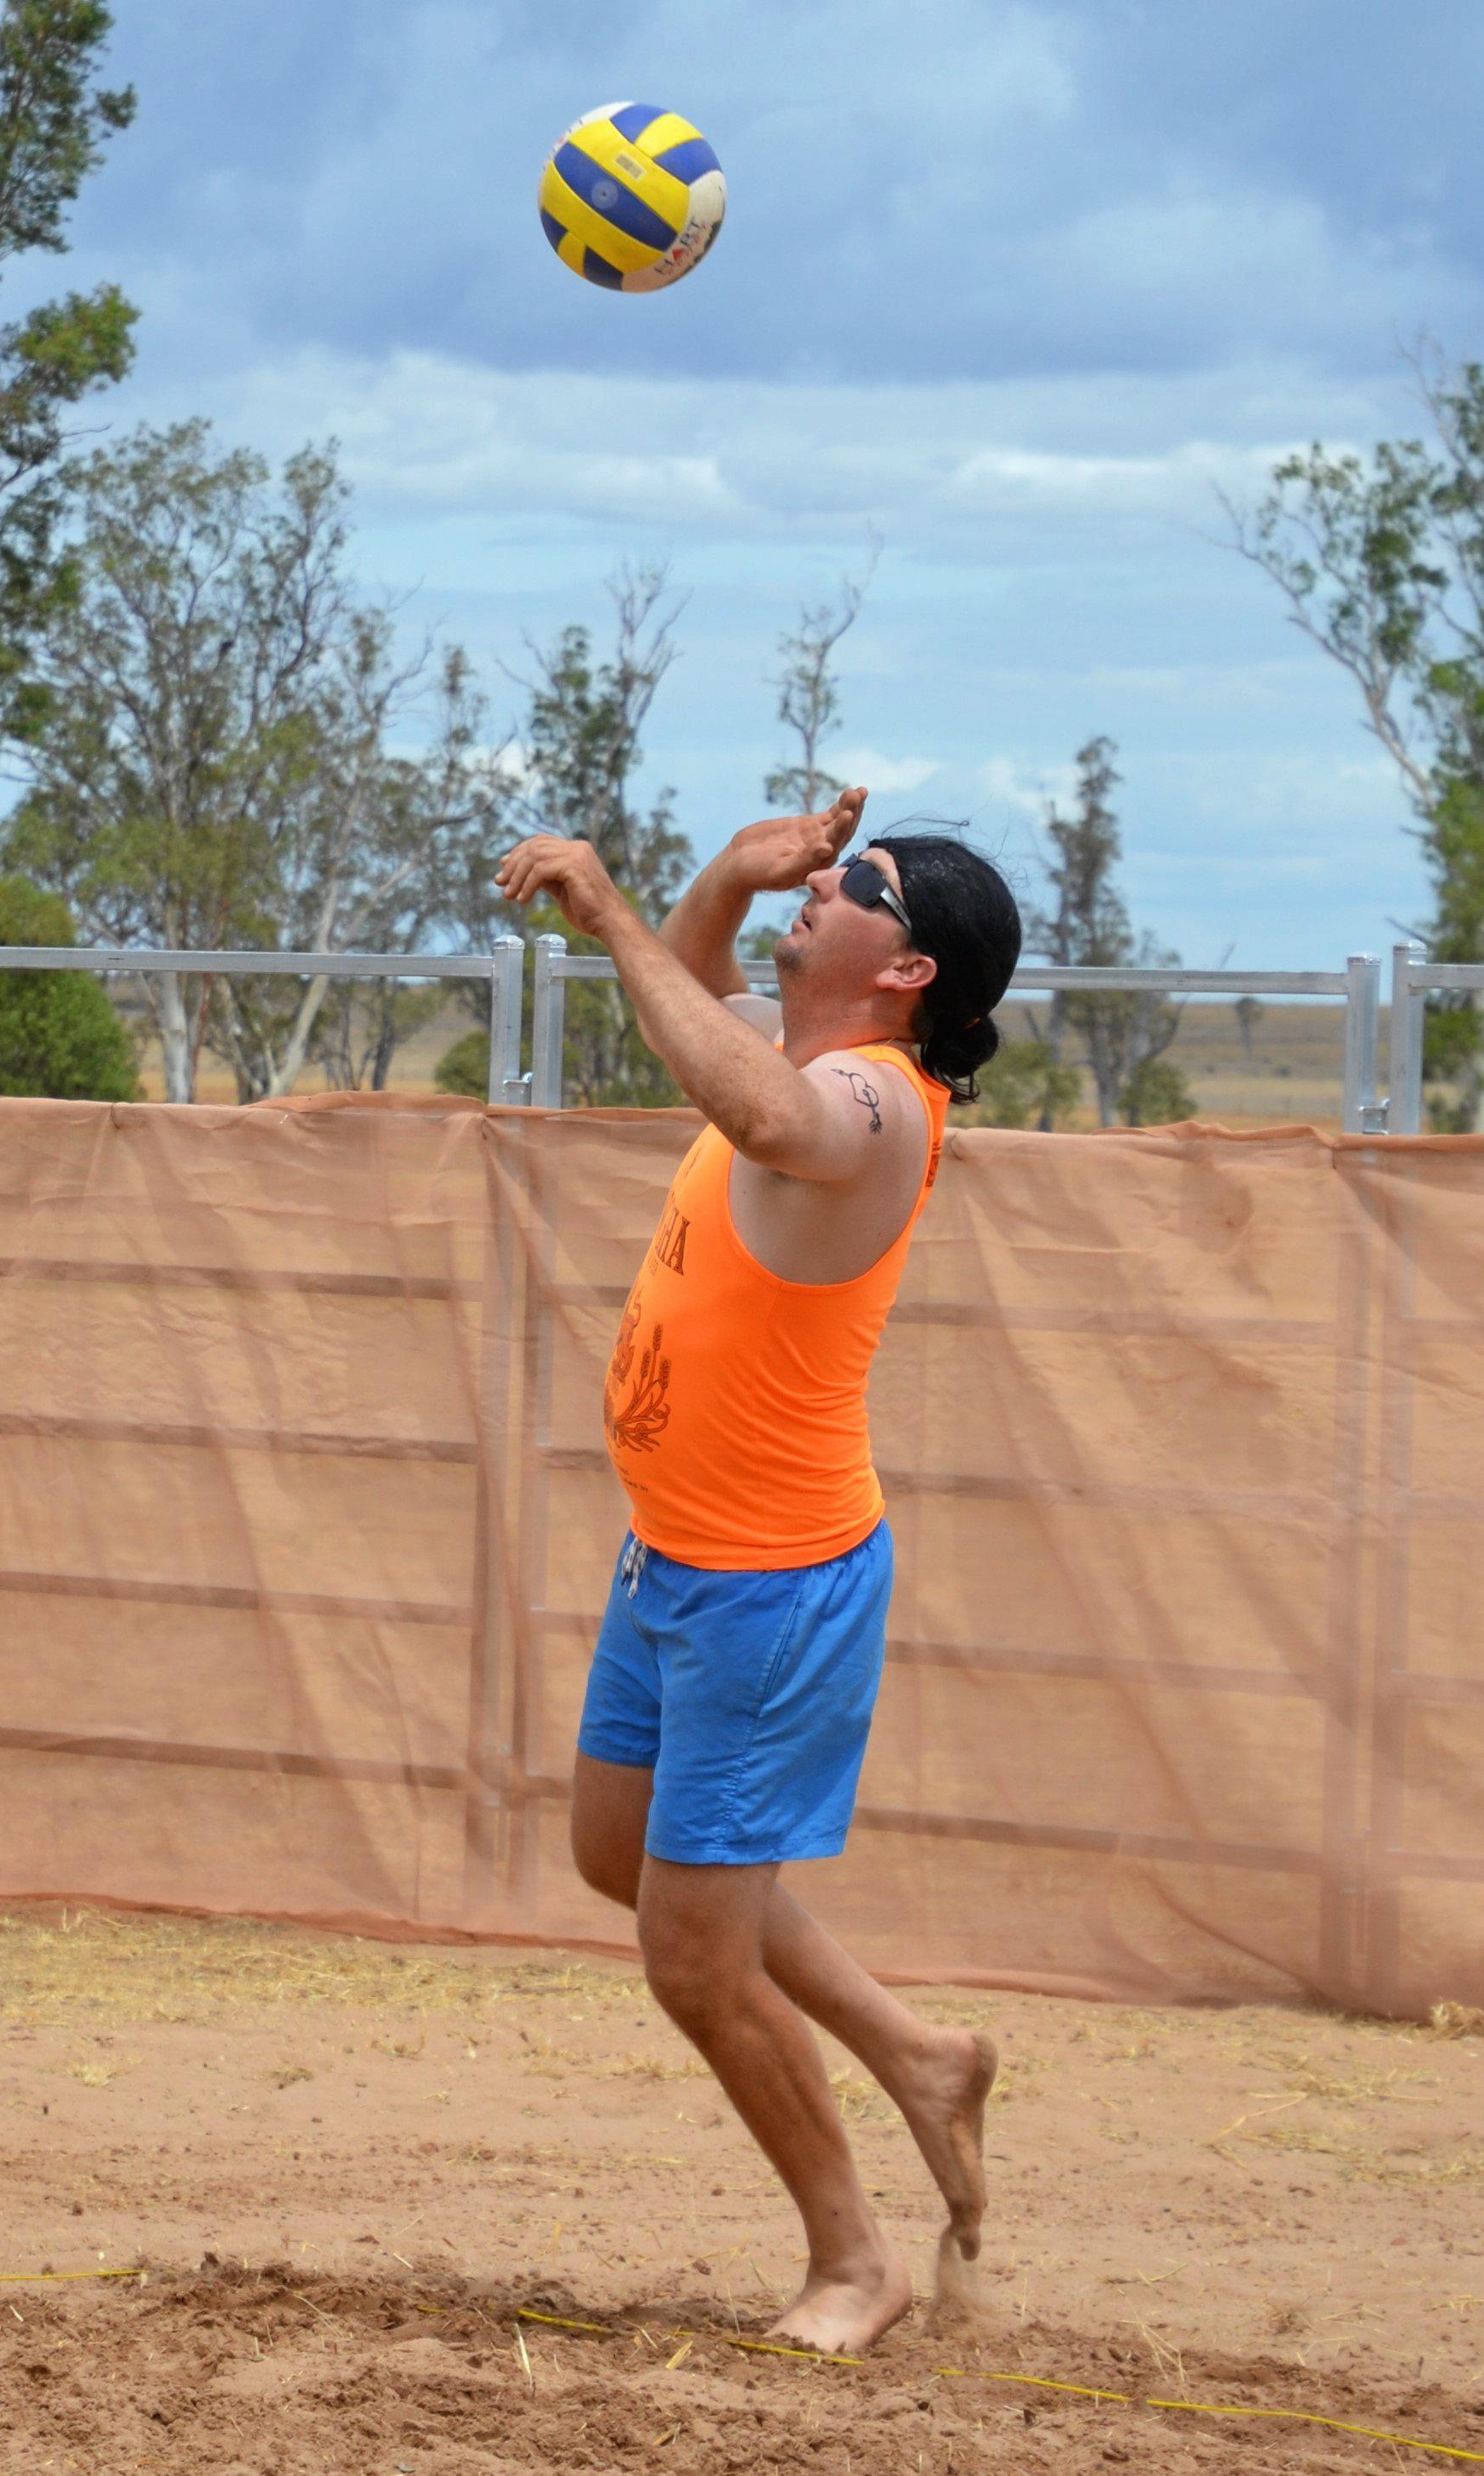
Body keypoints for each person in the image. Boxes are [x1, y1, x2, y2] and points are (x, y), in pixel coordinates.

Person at [492, 788, 1023, 2355]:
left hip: (772, 1589)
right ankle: (919, 2057)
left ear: (908, 969)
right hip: (679, 1558)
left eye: (851, 886)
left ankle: (856, 2262)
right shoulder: (806, 1058)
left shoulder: (870, 1102)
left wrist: (608, 911)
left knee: (690, 1958)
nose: (824, 890)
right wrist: (730, 872)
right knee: (619, 1851)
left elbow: (758, 1109)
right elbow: (705, 1010)